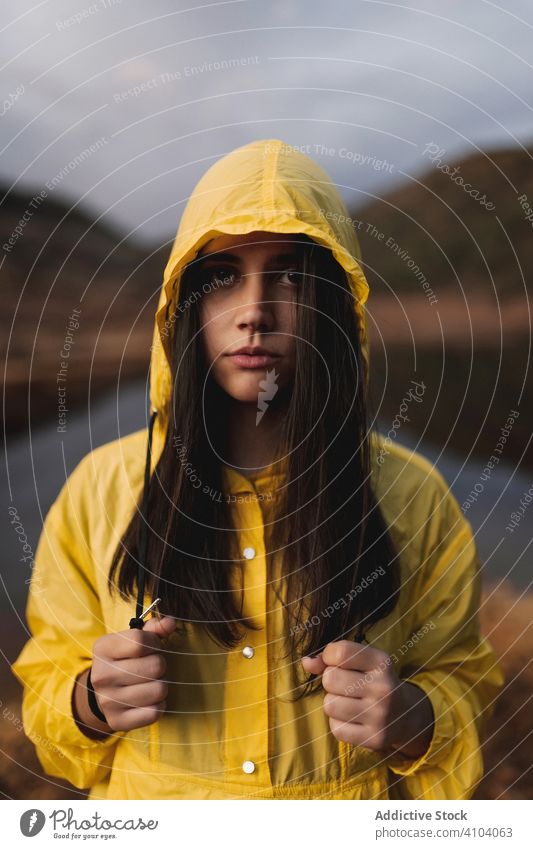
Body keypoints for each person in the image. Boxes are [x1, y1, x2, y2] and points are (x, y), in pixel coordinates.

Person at [11, 138, 504, 800]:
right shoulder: (99, 490)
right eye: (222, 277)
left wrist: (415, 717)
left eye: (290, 274)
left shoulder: (413, 495)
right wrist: (87, 701)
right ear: (187, 304)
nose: (254, 311)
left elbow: (463, 677)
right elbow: (46, 685)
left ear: (331, 301)